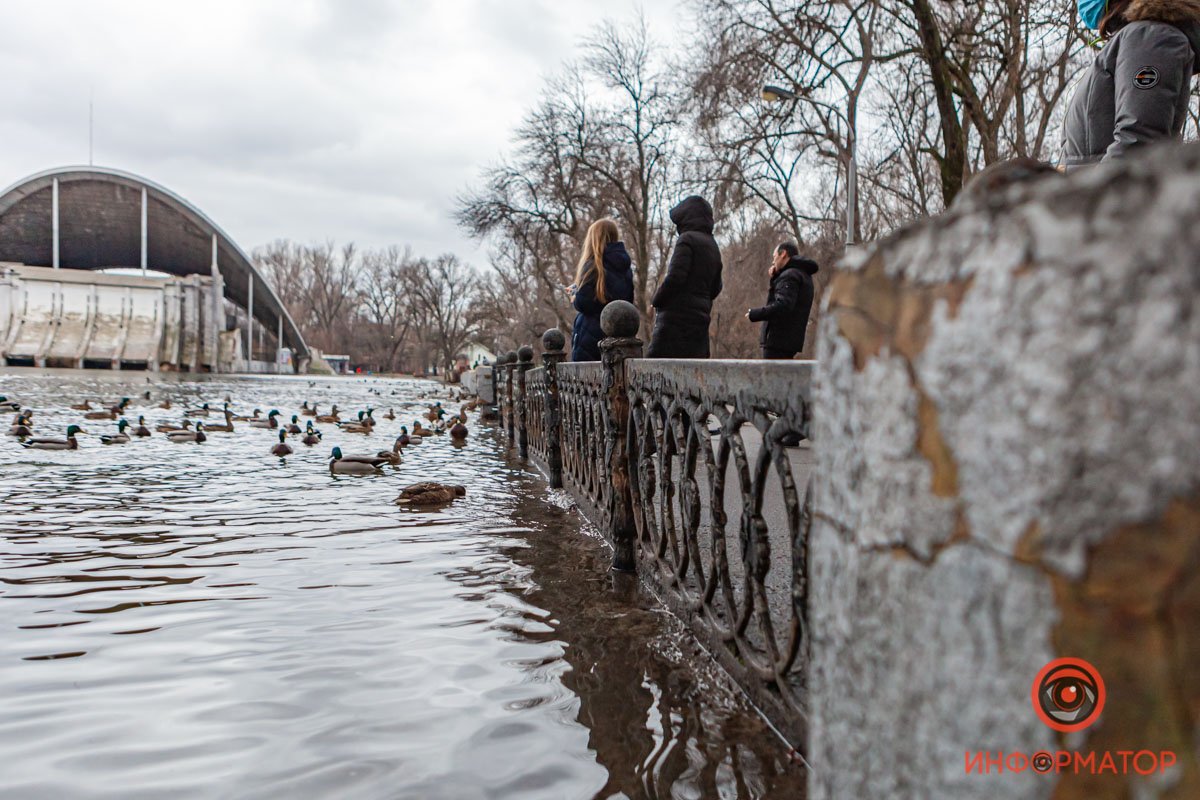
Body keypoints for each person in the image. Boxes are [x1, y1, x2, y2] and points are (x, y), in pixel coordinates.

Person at [1062, 0, 1200, 171]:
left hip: (1112, 194)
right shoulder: (1139, 37)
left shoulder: (1151, 36)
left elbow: (1138, 145)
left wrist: (1080, 192)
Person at [646, 195, 723, 358]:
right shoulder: (712, 245)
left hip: (675, 324)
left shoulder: (686, 240)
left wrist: (657, 300)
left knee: (658, 372)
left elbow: (675, 278)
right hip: (700, 322)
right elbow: (716, 287)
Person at [569, 218, 634, 362]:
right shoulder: (625, 267)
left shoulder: (593, 266)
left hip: (591, 336)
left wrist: (575, 294)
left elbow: (584, 302)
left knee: (587, 381)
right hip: (617, 339)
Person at [745, 242, 818, 360]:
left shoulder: (790, 276)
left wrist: (755, 314)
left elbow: (783, 305)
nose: (773, 262)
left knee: (772, 377)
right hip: (790, 341)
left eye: (774, 257)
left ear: (783, 254)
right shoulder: (803, 274)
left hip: (778, 341)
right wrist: (776, 277)